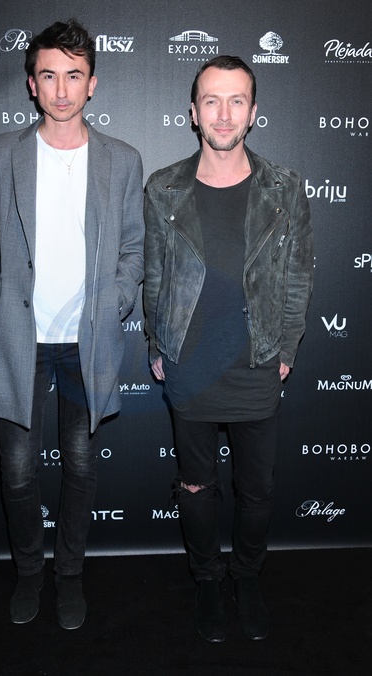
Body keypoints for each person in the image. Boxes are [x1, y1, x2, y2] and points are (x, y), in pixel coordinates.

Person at [0, 18, 144, 630]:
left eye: (74, 75)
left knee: (81, 468)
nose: (62, 90)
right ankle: (29, 573)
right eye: (49, 76)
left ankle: (69, 576)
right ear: (31, 83)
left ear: (93, 83)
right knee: (17, 470)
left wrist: (115, 299)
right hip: (20, 339)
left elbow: (133, 249)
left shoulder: (122, 160)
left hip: (86, 343)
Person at [143, 55, 313, 643]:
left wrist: (286, 345)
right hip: (190, 366)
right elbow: (154, 276)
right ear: (193, 113)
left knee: (256, 491)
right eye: (211, 101)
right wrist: (156, 341)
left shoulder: (285, 188)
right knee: (196, 486)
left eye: (236, 100)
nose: (223, 113)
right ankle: (208, 580)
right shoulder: (163, 187)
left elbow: (296, 276)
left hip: (257, 362)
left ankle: (247, 576)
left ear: (253, 112)